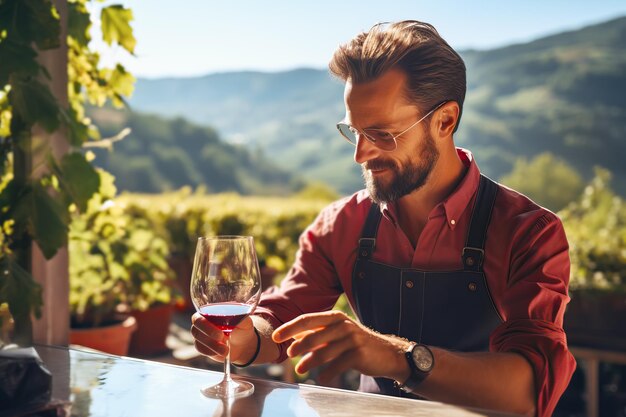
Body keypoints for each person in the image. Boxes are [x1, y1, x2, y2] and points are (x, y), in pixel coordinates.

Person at [191, 20, 576, 417]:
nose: (360, 154)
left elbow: (530, 391)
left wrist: (395, 356)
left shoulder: (529, 233)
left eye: (382, 134)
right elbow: (284, 318)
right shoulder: (340, 224)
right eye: (354, 131)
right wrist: (245, 339)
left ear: (444, 121)